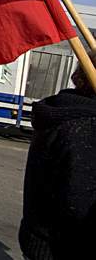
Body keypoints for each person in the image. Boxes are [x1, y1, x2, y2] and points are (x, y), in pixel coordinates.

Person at [19, 50, 96, 259]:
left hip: (40, 240)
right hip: (61, 247)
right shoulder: (85, 125)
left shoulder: (66, 110)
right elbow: (79, 205)